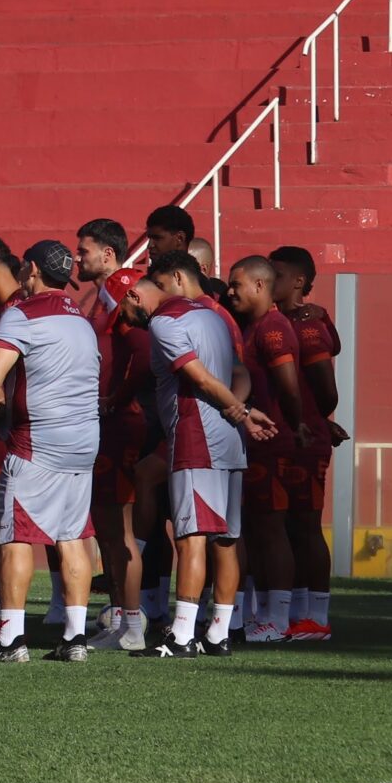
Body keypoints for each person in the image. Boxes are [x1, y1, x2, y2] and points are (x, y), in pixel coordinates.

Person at [130, 249, 278, 657]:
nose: (154, 295)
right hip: (229, 440)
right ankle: (218, 633)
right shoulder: (216, 316)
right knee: (227, 538)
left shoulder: (166, 320)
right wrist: (240, 412)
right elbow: (240, 373)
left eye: (158, 285)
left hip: (197, 438)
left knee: (191, 536)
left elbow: (200, 378)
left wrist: (240, 411)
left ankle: (180, 636)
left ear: (177, 278)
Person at [0, 236, 102, 663]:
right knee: (73, 535)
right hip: (83, 439)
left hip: (38, 438)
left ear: (32, 270)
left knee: (15, 536)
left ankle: (10, 638)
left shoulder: (21, 314)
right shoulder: (81, 318)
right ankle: (76, 638)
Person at [74, 216, 152, 650]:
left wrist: (118, 399)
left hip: (122, 421)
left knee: (118, 524)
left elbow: (141, 350)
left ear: (107, 253)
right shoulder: (106, 293)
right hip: (112, 418)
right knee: (106, 523)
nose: (76, 258)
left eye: (83, 250)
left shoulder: (122, 284)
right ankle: (122, 619)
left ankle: (133, 626)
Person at [226, 255, 311, 644]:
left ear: (259, 286)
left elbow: (289, 386)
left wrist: (296, 426)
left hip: (272, 442)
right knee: (257, 528)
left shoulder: (273, 328)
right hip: (256, 442)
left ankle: (277, 620)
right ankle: (261, 614)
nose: (231, 292)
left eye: (236, 284)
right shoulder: (254, 326)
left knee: (272, 528)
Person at [271, 245, 345, 641]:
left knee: (303, 525)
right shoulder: (275, 320)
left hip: (302, 438)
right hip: (279, 436)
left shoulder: (308, 324)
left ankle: (316, 616)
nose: (270, 281)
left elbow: (327, 392)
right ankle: (295, 614)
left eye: (278, 275)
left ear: (299, 281)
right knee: (276, 526)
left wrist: (314, 419)